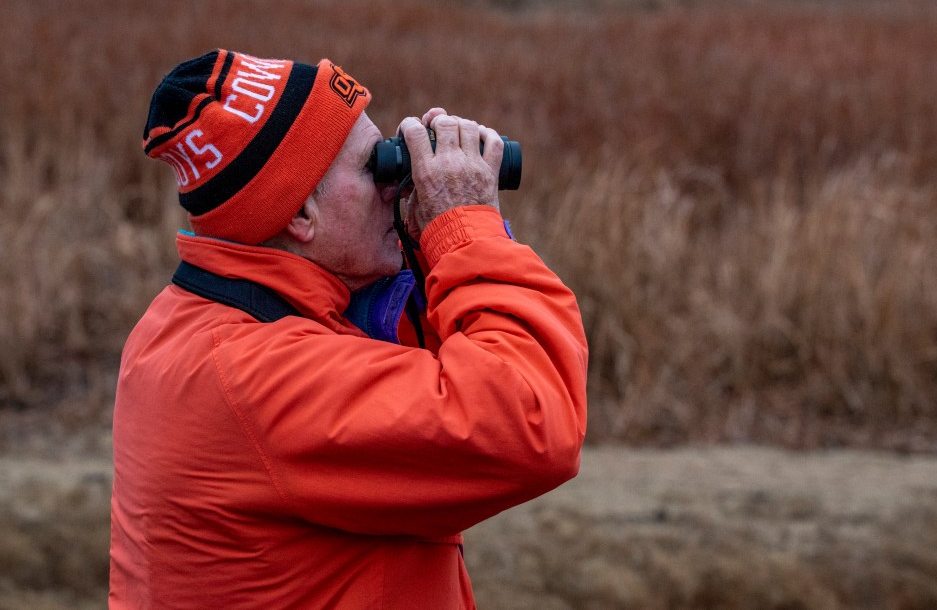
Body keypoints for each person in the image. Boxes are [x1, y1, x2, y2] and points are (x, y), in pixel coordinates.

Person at [109, 49, 588, 609]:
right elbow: (529, 420)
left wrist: (422, 249)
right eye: (376, 166)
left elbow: (417, 415)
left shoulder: (193, 322)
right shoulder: (261, 375)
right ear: (300, 216)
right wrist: (465, 231)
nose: (398, 183)